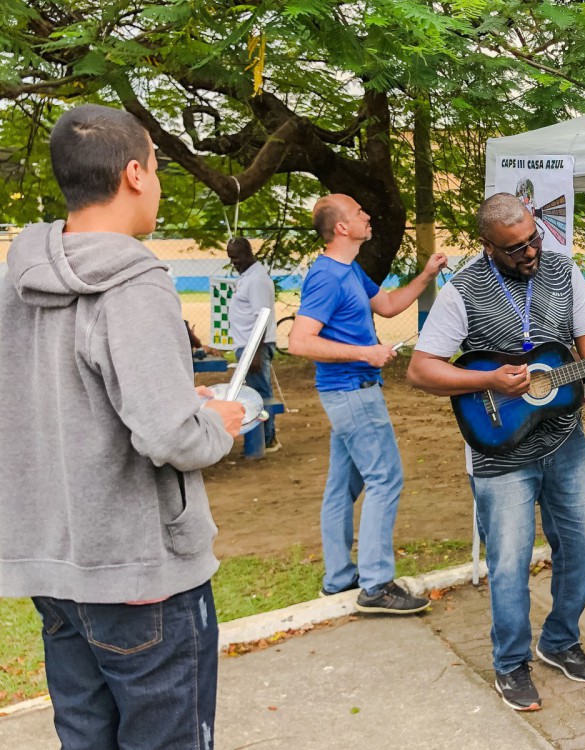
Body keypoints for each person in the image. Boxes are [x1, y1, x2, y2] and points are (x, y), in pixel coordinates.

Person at [0, 104, 243, 749]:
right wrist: (217, 423)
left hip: (56, 567)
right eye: (157, 168)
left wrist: (175, 398)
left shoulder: (15, 282)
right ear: (135, 173)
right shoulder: (136, 283)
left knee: (84, 738)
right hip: (142, 574)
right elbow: (170, 437)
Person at [406, 193, 585, 712]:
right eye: (515, 248)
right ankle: (510, 663)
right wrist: (488, 380)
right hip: (500, 449)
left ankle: (560, 641)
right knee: (509, 561)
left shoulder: (563, 272)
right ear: (488, 245)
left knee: (580, 543)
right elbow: (421, 370)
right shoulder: (463, 290)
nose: (530, 252)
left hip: (564, 439)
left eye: (534, 239)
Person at [289, 193, 447, 614]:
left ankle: (339, 577)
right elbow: (299, 341)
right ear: (342, 227)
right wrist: (367, 353)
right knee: (385, 479)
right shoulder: (326, 276)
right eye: (360, 212)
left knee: (343, 486)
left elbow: (389, 305)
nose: (368, 215)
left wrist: (427, 274)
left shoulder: (350, 270)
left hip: (352, 391)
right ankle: (375, 586)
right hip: (352, 390)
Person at [226, 236, 280, 452]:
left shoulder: (257, 279)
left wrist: (255, 353)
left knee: (260, 395)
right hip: (247, 346)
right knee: (254, 393)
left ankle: (268, 439)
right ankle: (262, 439)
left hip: (254, 347)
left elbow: (262, 317)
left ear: (248, 254)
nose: (233, 262)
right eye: (230, 258)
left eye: (236, 257)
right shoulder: (247, 276)